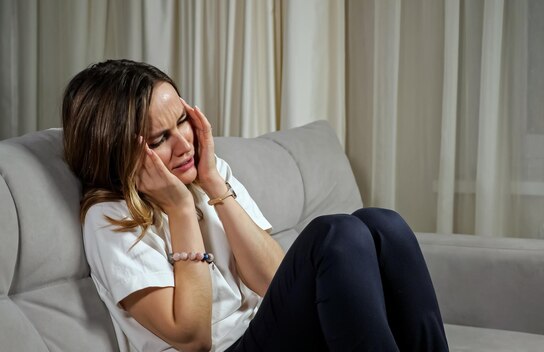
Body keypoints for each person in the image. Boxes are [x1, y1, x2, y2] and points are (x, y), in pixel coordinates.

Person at [62, 59, 448, 352]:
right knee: (336, 232)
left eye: (182, 121)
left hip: (262, 331)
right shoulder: (111, 218)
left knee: (382, 224)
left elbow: (271, 280)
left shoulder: (207, 176)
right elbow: (193, 337)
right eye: (160, 138)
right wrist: (180, 211)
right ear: (117, 151)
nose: (184, 144)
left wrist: (213, 184)